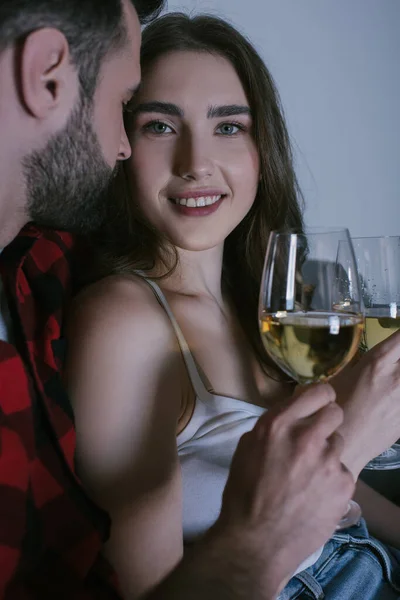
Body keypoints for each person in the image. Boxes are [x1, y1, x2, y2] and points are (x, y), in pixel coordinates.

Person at [0, 1, 354, 599]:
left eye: (228, 126)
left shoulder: (272, 308)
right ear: (122, 144)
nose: (196, 164)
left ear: (262, 151)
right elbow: (143, 585)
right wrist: (365, 422)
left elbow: (327, 476)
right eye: (158, 126)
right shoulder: (125, 318)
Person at [0, 0, 166, 597]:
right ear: (47, 77)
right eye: (125, 106)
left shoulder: (45, 258)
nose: (123, 147)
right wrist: (264, 532)